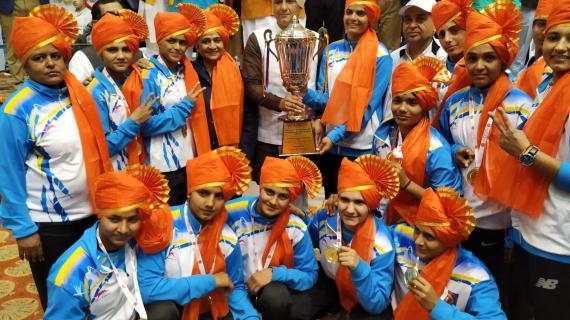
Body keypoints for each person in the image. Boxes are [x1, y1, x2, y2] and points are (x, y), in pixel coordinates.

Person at [0, 4, 113, 309]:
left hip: (93, 214)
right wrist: (23, 231)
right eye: (39, 58)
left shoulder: (79, 94)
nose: (50, 63)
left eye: (55, 56)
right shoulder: (16, 110)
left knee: (97, 291)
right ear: (24, 64)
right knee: (60, 300)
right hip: (50, 225)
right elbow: (7, 174)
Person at [438, 1, 533, 292]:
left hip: (500, 225)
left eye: (489, 58)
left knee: (494, 293)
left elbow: (529, 173)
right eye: (473, 58)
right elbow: (439, 143)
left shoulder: (521, 105)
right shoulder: (454, 102)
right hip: (460, 219)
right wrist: (453, 151)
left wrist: (512, 233)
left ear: (503, 60)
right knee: (460, 290)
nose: (479, 66)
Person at [483, 2, 570, 318]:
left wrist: (527, 153)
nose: (560, 47)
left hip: (558, 243)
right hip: (528, 233)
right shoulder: (550, 85)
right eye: (553, 37)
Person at [138, 147, 258, 320]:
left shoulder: (228, 235)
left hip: (211, 307)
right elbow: (148, 289)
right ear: (189, 192)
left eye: (218, 196)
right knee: (161, 313)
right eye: (203, 193)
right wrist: (211, 281)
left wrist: (250, 316)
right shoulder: (163, 224)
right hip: (174, 310)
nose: (210, 203)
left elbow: (235, 286)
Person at [45, 166, 173, 319]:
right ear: (100, 215)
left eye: (132, 219)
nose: (124, 230)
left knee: (166, 310)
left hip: (134, 312)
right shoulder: (69, 276)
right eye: (114, 219)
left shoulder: (138, 239)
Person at [303, 0, 392, 197]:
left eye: (360, 14)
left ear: (371, 18)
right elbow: (327, 100)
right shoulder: (331, 50)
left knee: (359, 210)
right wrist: (302, 90)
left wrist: (334, 136)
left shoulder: (381, 55)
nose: (353, 18)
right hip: (331, 148)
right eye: (349, 12)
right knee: (332, 207)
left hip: (363, 147)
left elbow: (367, 108)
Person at [129, 4, 207, 206]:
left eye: (182, 42)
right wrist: (184, 108)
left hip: (188, 161)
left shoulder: (185, 72)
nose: (177, 47)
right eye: (171, 40)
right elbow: (145, 126)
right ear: (159, 41)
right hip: (162, 166)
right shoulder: (149, 74)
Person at [225, 156, 321, 319]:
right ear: (260, 187)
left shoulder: (295, 226)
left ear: (290, 199)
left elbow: (309, 274)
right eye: (269, 192)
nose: (273, 201)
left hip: (270, 289)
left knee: (277, 298)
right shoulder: (232, 211)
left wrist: (275, 273)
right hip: (233, 287)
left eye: (282, 196)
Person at [391, 187, 507, 320]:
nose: (417, 241)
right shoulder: (402, 237)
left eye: (429, 237)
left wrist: (437, 307)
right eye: (417, 230)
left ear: (448, 241)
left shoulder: (475, 274)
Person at [305, 155, 398, 319]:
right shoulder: (325, 217)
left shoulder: (383, 243)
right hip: (331, 284)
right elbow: (309, 241)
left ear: (370, 205)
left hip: (364, 294)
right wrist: (301, 219)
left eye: (359, 202)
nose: (349, 209)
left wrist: (359, 267)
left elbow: (377, 303)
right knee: (295, 309)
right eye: (344, 200)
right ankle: (335, 306)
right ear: (337, 198)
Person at [373, 57, 462, 225]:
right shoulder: (383, 135)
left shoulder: (436, 148)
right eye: (398, 100)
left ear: (424, 105)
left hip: (422, 230)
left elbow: (447, 205)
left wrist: (406, 183)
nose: (402, 108)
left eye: (412, 102)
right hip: (384, 222)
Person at [241, 0, 318, 181]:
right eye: (277, 2)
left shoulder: (316, 39)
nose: (283, 7)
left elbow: (324, 87)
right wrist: (280, 103)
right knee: (270, 199)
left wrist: (321, 119)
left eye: (290, 1)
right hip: (268, 137)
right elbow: (251, 85)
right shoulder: (258, 38)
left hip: (305, 136)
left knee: (300, 197)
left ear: (301, 5)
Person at [88, 10, 158, 171]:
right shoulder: (95, 91)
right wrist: (134, 122)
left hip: (141, 168)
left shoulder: (134, 78)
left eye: (126, 49)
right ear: (100, 53)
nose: (121, 56)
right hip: (115, 175)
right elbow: (101, 148)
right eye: (112, 50)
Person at [191, 4, 243, 154]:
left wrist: (244, 153)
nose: (212, 46)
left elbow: (248, 117)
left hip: (234, 151)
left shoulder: (237, 71)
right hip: (199, 151)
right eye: (206, 41)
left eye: (217, 40)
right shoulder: (188, 72)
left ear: (224, 42)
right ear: (197, 46)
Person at [68, 0, 147, 83]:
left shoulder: (139, 54)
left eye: (122, 15)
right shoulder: (82, 58)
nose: (118, 20)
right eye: (111, 16)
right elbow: (76, 92)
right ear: (95, 24)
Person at [430, 0, 472, 127]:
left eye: (454, 31)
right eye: (441, 34)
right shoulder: (432, 74)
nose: (447, 39)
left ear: (468, 28)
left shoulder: (487, 70)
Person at [0, 0, 48, 84]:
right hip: (10, 5)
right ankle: (19, 84)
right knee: (14, 46)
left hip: (36, 3)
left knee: (38, 44)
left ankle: (39, 82)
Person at [390, 0, 447, 69]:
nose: (412, 25)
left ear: (435, 23)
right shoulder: (393, 58)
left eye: (420, 19)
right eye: (408, 19)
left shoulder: (445, 58)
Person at [515, 0, 553, 99]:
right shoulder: (527, 68)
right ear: (532, 27)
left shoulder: (556, 73)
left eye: (551, 26)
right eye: (541, 24)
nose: (545, 32)